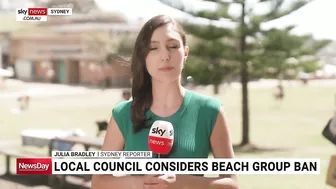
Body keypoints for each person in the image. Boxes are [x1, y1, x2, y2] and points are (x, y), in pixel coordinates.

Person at [91, 15, 238, 189]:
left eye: (173, 46)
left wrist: (180, 182)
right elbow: (99, 182)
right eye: (154, 48)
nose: (165, 56)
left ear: (186, 53)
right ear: (143, 57)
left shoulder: (210, 111)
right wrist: (142, 182)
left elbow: (231, 184)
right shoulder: (123, 114)